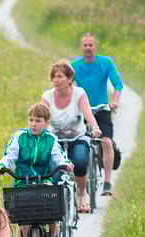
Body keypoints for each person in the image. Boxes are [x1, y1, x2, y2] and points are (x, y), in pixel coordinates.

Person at [0, 103, 72, 237]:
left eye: (38, 120)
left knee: (52, 204)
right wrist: (2, 165)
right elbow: (10, 155)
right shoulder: (20, 137)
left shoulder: (50, 139)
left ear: (46, 123)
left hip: (43, 180)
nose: (33, 124)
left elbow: (58, 157)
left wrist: (66, 164)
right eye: (31, 120)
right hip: (23, 182)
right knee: (23, 227)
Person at [41, 59, 102, 214]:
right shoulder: (47, 96)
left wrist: (94, 127)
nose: (56, 80)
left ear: (69, 79)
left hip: (77, 138)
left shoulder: (78, 93)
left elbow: (87, 112)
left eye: (60, 76)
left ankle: (82, 194)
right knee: (54, 172)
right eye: (54, 77)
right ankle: (55, 204)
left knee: (80, 162)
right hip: (55, 140)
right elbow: (41, 116)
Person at [71, 32, 124, 196]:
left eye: (91, 45)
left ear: (95, 47)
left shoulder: (106, 62)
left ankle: (107, 182)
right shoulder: (74, 65)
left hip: (101, 109)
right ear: (81, 48)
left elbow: (117, 83)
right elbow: (67, 84)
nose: (88, 48)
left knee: (106, 142)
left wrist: (114, 101)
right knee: (75, 143)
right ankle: (79, 180)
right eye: (85, 45)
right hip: (81, 110)